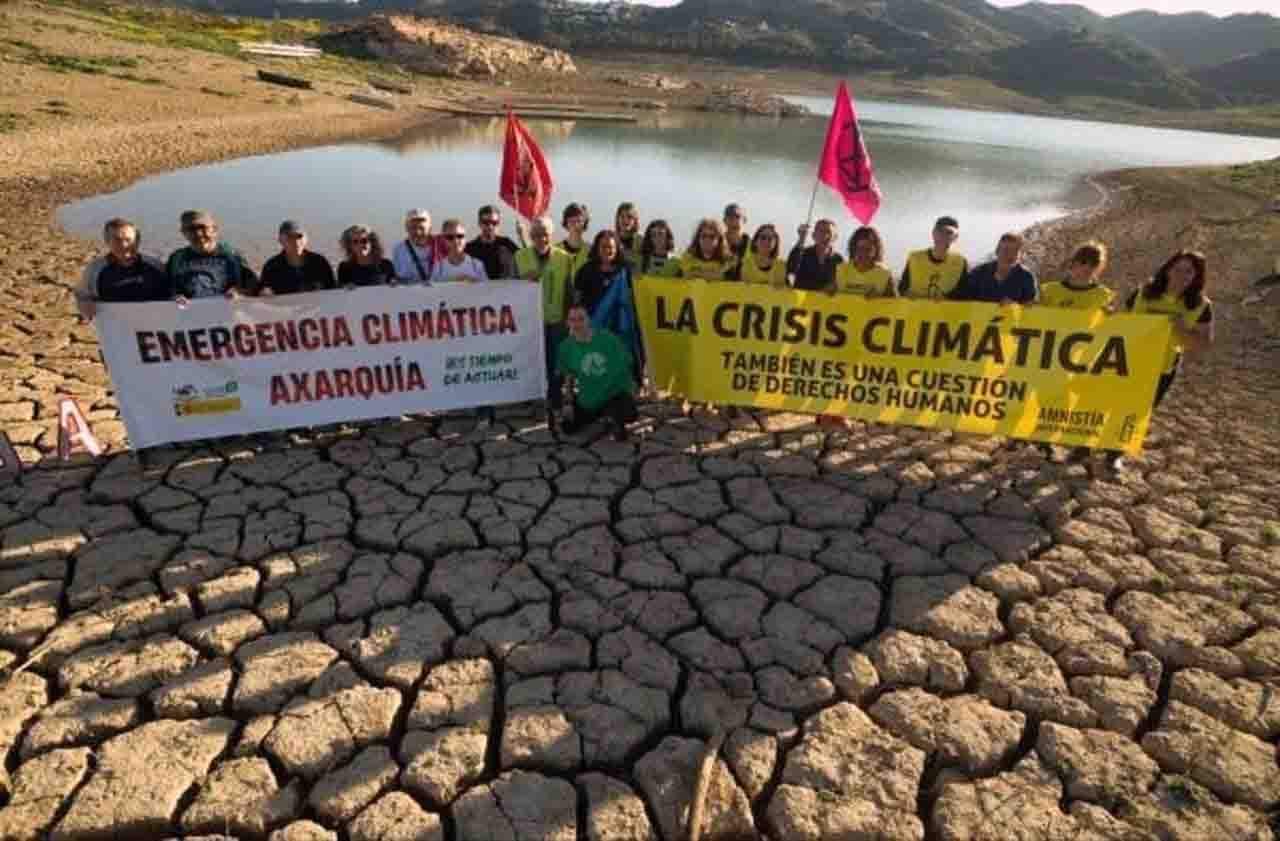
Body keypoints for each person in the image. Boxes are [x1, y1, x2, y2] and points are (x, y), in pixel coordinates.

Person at [1109, 250, 1214, 470]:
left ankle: (1114, 455)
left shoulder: (1200, 306)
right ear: (1167, 269)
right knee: (1113, 407)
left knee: (1137, 414)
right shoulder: (1143, 293)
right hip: (1126, 362)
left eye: (1189, 272)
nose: (1181, 276)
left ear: (1197, 277)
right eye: (1178, 269)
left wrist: (1182, 329)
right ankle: (1087, 446)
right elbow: (1120, 322)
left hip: (1161, 369)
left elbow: (1203, 344)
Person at [1037, 241, 1116, 465]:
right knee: (1050, 400)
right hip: (1050, 356)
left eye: (1093, 264)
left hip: (1082, 360)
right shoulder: (1049, 290)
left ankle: (1072, 444)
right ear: (1072, 263)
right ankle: (1046, 442)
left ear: (1099, 268)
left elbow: (1108, 328)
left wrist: (1110, 318)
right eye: (1082, 262)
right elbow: (1033, 319)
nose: (1086, 268)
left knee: (1074, 403)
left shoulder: (1103, 295)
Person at [515, 215, 575, 430]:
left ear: (552, 235)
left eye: (545, 234)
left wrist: (570, 319)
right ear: (530, 236)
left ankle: (555, 402)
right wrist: (521, 281)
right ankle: (533, 402)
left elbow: (569, 290)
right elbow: (508, 288)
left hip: (557, 321)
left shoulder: (565, 258)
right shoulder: (519, 256)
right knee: (531, 363)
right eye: (536, 235)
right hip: (529, 322)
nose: (541, 239)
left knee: (555, 366)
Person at [558, 302, 639, 442]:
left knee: (627, 412)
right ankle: (601, 417)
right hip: (588, 399)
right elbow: (568, 377)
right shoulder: (566, 347)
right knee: (567, 427)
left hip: (611, 395)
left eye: (581, 319)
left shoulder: (607, 339)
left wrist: (631, 390)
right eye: (572, 320)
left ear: (589, 320)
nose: (577, 324)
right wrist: (568, 403)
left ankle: (615, 420)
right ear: (567, 323)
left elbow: (627, 365)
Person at [574, 229, 642, 385]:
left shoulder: (626, 270)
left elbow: (637, 295)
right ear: (597, 248)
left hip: (621, 328)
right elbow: (577, 299)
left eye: (611, 247)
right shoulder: (586, 270)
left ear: (617, 248)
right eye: (603, 246)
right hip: (594, 326)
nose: (607, 250)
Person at [75, 218, 171, 320]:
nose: (124, 245)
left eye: (128, 240)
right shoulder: (94, 269)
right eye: (117, 240)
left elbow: (171, 292)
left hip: (154, 325)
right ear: (107, 241)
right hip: (116, 328)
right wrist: (83, 303)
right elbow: (82, 295)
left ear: (138, 241)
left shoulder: (155, 265)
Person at [166, 209, 255, 300]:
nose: (198, 234)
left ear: (215, 229)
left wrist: (238, 293)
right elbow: (168, 289)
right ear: (183, 233)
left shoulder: (233, 256)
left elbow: (252, 288)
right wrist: (175, 297)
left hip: (226, 310)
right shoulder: (176, 259)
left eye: (203, 227)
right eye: (191, 229)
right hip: (188, 311)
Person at [950, 232, 1037, 304]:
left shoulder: (1026, 277)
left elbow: (1032, 306)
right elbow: (961, 297)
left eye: (1014, 251)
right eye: (1006, 250)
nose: (1009, 255)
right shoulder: (979, 273)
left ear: (1020, 255)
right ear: (997, 251)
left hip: (1013, 323)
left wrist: (1016, 306)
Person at [257, 220, 336, 296]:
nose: (296, 242)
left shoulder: (320, 263)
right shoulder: (271, 267)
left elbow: (334, 291)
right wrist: (264, 294)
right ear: (280, 240)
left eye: (299, 236)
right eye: (290, 237)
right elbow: (261, 294)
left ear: (306, 239)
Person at [900, 215, 968, 299]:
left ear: (955, 237)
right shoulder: (915, 258)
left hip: (945, 310)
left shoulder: (960, 262)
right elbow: (902, 288)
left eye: (949, 233)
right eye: (940, 231)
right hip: (916, 309)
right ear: (933, 233)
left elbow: (964, 294)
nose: (944, 236)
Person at [834, 226, 896, 297]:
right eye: (859, 248)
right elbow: (827, 295)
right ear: (853, 249)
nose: (863, 253)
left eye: (868, 249)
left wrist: (880, 298)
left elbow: (895, 303)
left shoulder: (884, 273)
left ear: (876, 250)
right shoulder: (841, 269)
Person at [465, 204, 520, 280]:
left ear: (499, 224)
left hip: (503, 290)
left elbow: (525, 262)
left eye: (494, 223)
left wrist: (523, 237)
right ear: (479, 224)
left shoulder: (507, 244)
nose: (490, 226)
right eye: (486, 222)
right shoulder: (469, 248)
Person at [788, 219, 843, 291]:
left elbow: (840, 285)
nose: (825, 235)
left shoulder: (838, 260)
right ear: (813, 235)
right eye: (821, 231)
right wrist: (801, 239)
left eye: (828, 232)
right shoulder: (803, 254)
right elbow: (790, 270)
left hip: (824, 301)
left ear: (835, 237)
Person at [391, 208, 436, 284]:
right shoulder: (399, 250)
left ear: (430, 228)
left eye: (422, 228)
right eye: (413, 228)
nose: (418, 232)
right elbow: (398, 277)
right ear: (406, 228)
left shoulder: (441, 245)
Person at [559, 203, 592, 281]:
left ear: (584, 223)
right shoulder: (555, 250)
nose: (576, 225)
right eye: (572, 221)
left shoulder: (592, 251)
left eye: (579, 221)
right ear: (566, 223)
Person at [615, 202, 643, 271]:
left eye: (629, 217)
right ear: (617, 219)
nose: (625, 220)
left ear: (635, 220)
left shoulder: (641, 240)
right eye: (622, 216)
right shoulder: (612, 238)